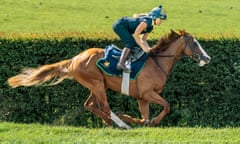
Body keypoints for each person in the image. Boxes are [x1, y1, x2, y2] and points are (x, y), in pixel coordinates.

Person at [113, 5, 167, 71]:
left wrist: (148, 49)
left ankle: (126, 58)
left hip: (125, 28)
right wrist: (144, 48)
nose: (161, 21)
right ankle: (121, 63)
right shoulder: (147, 21)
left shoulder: (150, 27)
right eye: (160, 19)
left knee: (135, 46)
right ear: (155, 17)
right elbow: (136, 35)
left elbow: (143, 39)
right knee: (131, 43)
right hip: (120, 25)